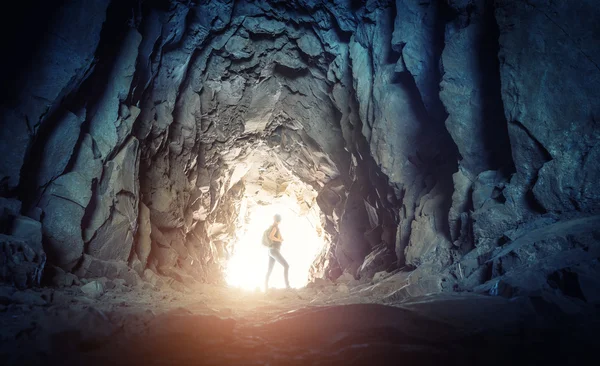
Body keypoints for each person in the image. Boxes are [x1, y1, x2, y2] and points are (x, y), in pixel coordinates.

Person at [264, 213, 290, 291]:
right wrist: (279, 240)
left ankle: (266, 287)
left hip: (270, 251)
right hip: (274, 250)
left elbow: (271, 236)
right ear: (279, 220)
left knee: (269, 269)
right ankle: (287, 286)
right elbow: (271, 236)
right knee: (286, 266)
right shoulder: (275, 227)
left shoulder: (271, 227)